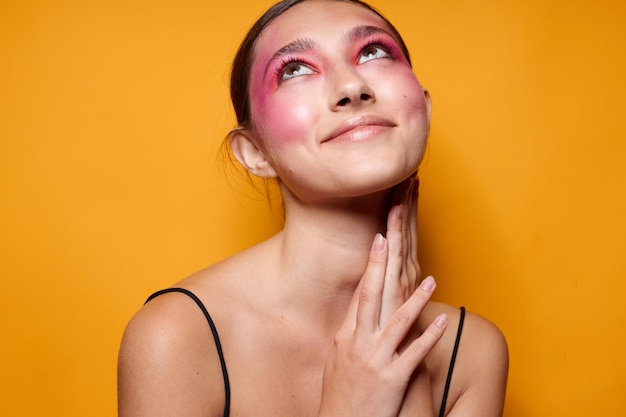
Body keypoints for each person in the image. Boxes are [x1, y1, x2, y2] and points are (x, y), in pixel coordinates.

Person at [117, 0, 509, 416]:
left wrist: (398, 345)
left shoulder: (473, 352)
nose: (350, 87)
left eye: (373, 52)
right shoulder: (176, 338)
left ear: (424, 110)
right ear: (255, 153)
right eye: (295, 69)